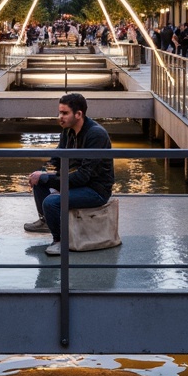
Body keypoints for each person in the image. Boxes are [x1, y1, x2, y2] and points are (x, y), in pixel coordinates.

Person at [24, 93, 115, 256]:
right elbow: (56, 158)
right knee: (39, 181)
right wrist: (43, 172)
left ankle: (59, 241)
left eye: (64, 113)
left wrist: (50, 179)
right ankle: (46, 220)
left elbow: (84, 176)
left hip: (95, 190)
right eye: (59, 112)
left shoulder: (95, 135)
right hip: (78, 182)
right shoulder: (68, 131)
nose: (60, 117)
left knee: (52, 202)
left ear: (78, 114)